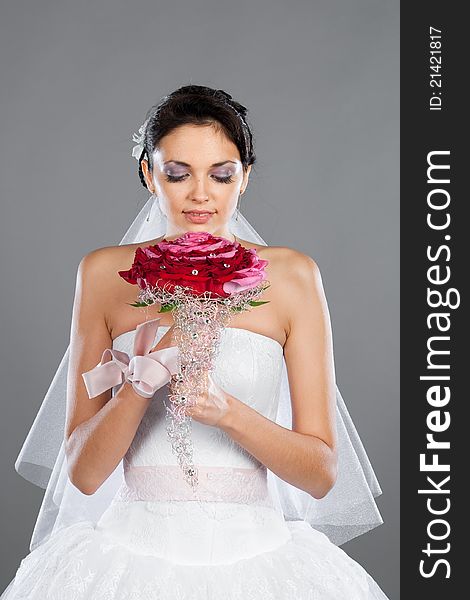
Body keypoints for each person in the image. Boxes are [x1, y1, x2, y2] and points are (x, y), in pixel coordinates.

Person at [1, 85, 390, 598]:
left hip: (258, 561)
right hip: (128, 561)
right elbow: (84, 474)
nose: (200, 194)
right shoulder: (103, 274)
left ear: (245, 177)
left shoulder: (293, 276)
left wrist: (227, 411)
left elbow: (320, 475)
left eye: (221, 174)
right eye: (177, 173)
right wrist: (140, 387)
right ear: (149, 173)